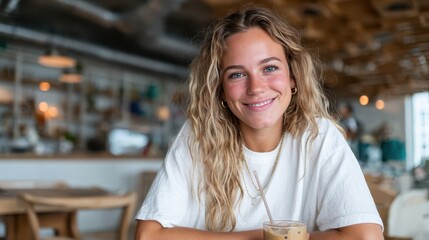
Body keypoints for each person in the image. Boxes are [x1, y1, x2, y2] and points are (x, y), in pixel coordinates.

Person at [134, 5, 383, 240]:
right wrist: (260, 236)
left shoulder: (319, 136)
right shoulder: (198, 136)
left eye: (269, 68)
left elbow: (367, 237)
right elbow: (147, 235)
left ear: (293, 77)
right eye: (237, 74)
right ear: (220, 89)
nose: (256, 88)